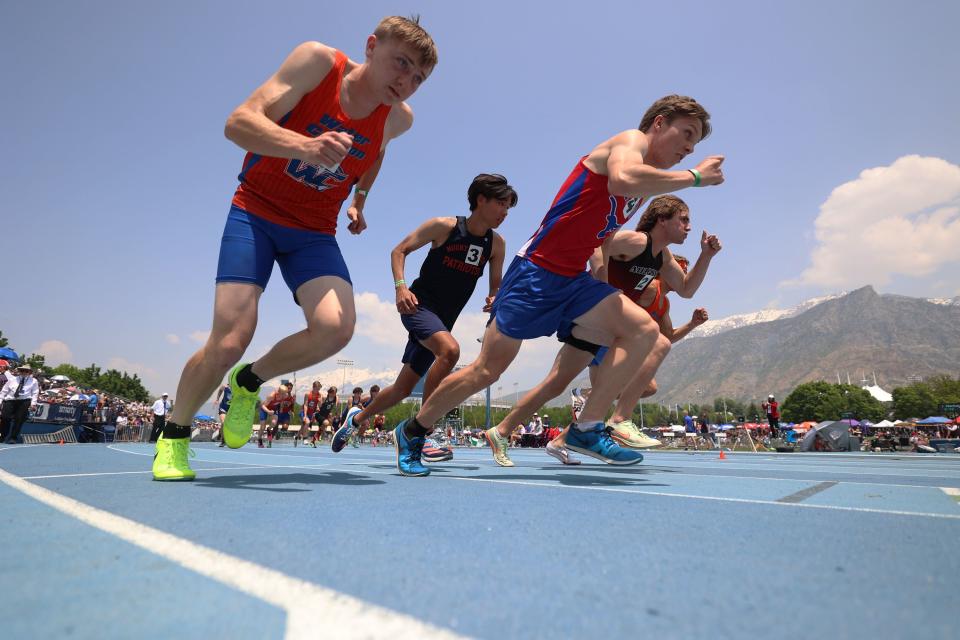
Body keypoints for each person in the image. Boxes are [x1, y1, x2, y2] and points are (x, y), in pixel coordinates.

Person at [152, 16, 438, 481]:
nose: (405, 82)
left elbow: (376, 151)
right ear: (370, 46)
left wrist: (360, 200)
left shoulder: (398, 118)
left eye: (418, 78)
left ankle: (249, 382)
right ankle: (175, 436)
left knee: (335, 329)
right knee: (228, 340)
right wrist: (303, 146)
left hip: (314, 231)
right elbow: (238, 123)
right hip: (256, 212)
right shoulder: (317, 62)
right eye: (399, 63)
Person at [392, 95, 722, 476]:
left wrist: (598, 275)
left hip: (573, 280)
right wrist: (696, 177)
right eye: (687, 134)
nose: (689, 148)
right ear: (660, 123)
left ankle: (586, 426)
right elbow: (622, 178)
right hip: (535, 272)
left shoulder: (646, 183)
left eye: (695, 144)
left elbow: (603, 230)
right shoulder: (629, 142)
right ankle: (414, 429)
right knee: (487, 371)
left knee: (645, 330)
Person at [486, 198, 720, 467]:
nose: (689, 227)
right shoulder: (637, 242)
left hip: (603, 326)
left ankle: (503, 431)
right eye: (684, 219)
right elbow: (597, 243)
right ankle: (620, 420)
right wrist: (603, 289)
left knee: (557, 384)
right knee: (657, 343)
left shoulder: (663, 256)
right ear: (662, 220)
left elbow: (687, 289)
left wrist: (706, 256)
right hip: (595, 312)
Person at [332, 174, 513, 454]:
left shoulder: (496, 245)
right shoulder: (444, 226)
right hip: (418, 306)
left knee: (403, 388)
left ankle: (355, 419)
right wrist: (400, 288)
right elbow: (398, 251)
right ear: (480, 200)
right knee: (450, 351)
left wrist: (494, 299)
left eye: (508, 207)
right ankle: (421, 431)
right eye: (501, 203)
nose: (504, 212)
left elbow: (495, 287)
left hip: (443, 320)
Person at [0, 364, 40, 444]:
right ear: (19, 371)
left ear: (29, 372)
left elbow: (35, 392)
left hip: (24, 401)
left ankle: (13, 438)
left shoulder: (34, 381)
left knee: (19, 420)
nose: (24, 372)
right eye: (22, 370)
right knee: (5, 417)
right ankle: (3, 436)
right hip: (10, 400)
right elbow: (4, 391)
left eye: (26, 371)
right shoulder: (12, 379)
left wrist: (33, 404)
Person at [296, 380, 323, 446]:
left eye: (319, 389)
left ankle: (296, 436)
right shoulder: (308, 394)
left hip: (311, 413)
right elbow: (305, 405)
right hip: (304, 412)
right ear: (313, 387)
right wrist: (305, 415)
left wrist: (320, 402)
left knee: (303, 426)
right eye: (317, 389)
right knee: (307, 422)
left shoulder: (320, 395)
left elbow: (319, 406)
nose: (318, 390)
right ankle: (305, 438)